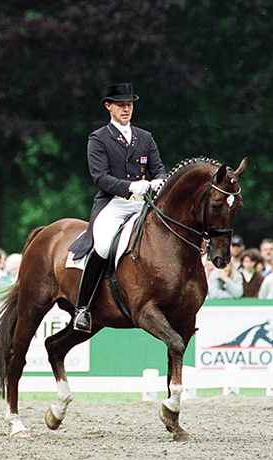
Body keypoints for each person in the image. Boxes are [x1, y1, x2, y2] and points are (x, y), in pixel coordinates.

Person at [69, 83, 167, 332]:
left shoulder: (145, 137)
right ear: (108, 106)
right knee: (102, 246)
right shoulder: (98, 138)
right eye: (121, 105)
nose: (126, 109)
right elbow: (99, 177)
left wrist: (159, 181)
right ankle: (83, 308)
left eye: (129, 105)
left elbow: (158, 168)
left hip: (143, 205)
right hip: (114, 203)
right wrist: (130, 187)